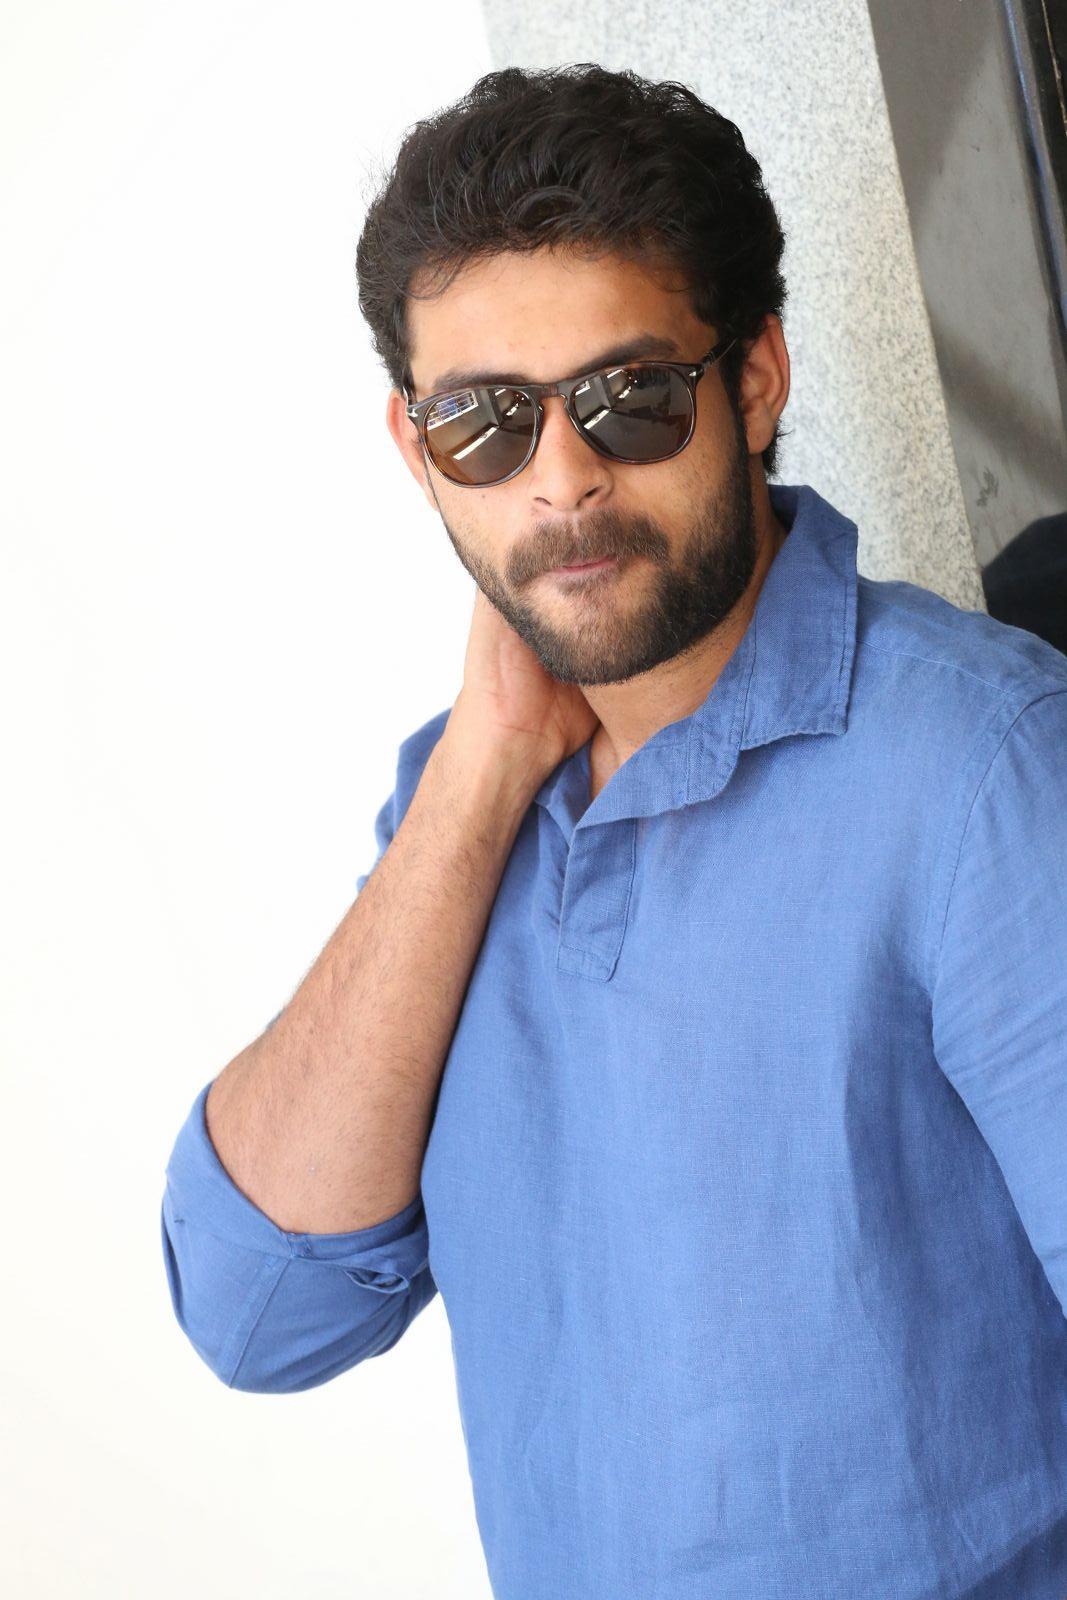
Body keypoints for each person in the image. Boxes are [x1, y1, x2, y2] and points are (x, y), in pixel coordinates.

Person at [161, 63, 1067, 1600]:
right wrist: (477, 774)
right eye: (486, 426)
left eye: (628, 397)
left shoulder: (983, 770)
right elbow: (259, 1311)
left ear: (756, 378)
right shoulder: (459, 810)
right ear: (415, 451)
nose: (564, 480)